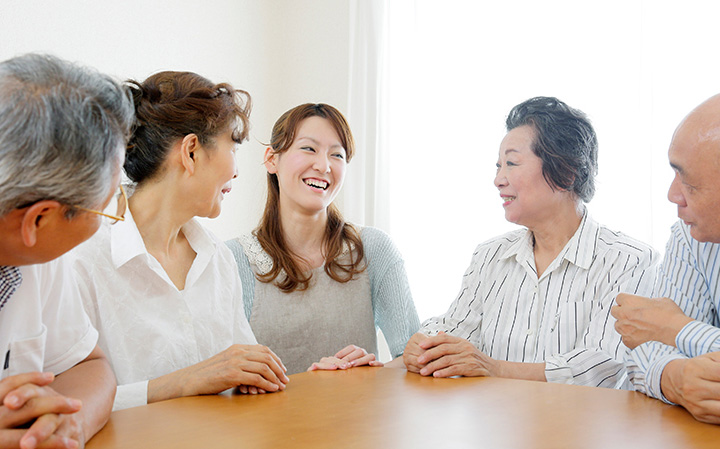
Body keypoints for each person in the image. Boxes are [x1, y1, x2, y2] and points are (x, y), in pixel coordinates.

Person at [402, 96, 657, 388]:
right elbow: (456, 329)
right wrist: (424, 346)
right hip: (495, 427)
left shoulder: (630, 260)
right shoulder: (490, 255)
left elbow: (602, 368)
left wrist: (492, 368)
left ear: (565, 172)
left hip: (584, 431)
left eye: (511, 163)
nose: (498, 179)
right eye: (498, 166)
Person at [71, 71, 288, 411]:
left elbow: (245, 375)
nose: (235, 171)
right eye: (231, 146)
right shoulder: (82, 259)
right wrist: (184, 382)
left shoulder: (218, 259)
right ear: (190, 152)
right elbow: (64, 405)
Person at [0, 54, 133, 449]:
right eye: (107, 205)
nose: (113, 217)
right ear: (39, 219)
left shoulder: (36, 256)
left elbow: (88, 366)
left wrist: (71, 423)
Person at [226, 103, 420, 374]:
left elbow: (414, 360)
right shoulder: (231, 260)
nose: (323, 165)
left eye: (337, 155)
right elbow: (218, 378)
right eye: (309, 148)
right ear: (272, 159)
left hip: (357, 416)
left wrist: (372, 371)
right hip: (265, 418)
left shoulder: (374, 249)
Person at [612, 94, 720, 424]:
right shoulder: (690, 237)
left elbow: (657, 327)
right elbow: (640, 349)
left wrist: (675, 327)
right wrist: (674, 378)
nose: (672, 195)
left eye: (688, 181)